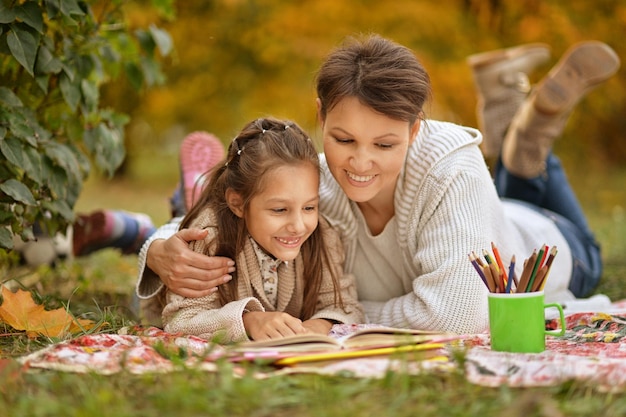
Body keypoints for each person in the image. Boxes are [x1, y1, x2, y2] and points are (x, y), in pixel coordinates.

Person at [135, 34, 618, 334]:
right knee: (509, 170)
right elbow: (213, 219)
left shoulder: (451, 166)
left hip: (548, 243)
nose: (359, 164)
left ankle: (529, 139)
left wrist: (335, 315)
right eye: (344, 139)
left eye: (385, 145)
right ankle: (515, 126)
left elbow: (457, 314)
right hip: (485, 213)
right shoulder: (311, 184)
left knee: (521, 176)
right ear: (321, 116)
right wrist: (158, 249)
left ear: (414, 129)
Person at [156, 117, 363, 342]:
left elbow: (346, 305)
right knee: (181, 219)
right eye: (280, 209)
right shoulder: (209, 237)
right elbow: (181, 320)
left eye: (309, 207)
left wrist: (319, 325)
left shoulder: (322, 236)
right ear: (237, 204)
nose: (299, 226)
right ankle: (166, 213)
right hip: (164, 282)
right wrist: (248, 321)